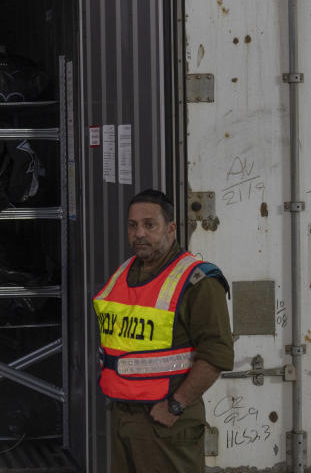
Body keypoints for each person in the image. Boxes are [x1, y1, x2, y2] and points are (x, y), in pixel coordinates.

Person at [93, 189, 233, 472]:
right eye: (132, 225)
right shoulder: (125, 272)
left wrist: (175, 406)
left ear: (171, 228)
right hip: (123, 418)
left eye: (149, 224)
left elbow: (217, 355)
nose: (139, 233)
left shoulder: (199, 281)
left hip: (166, 423)